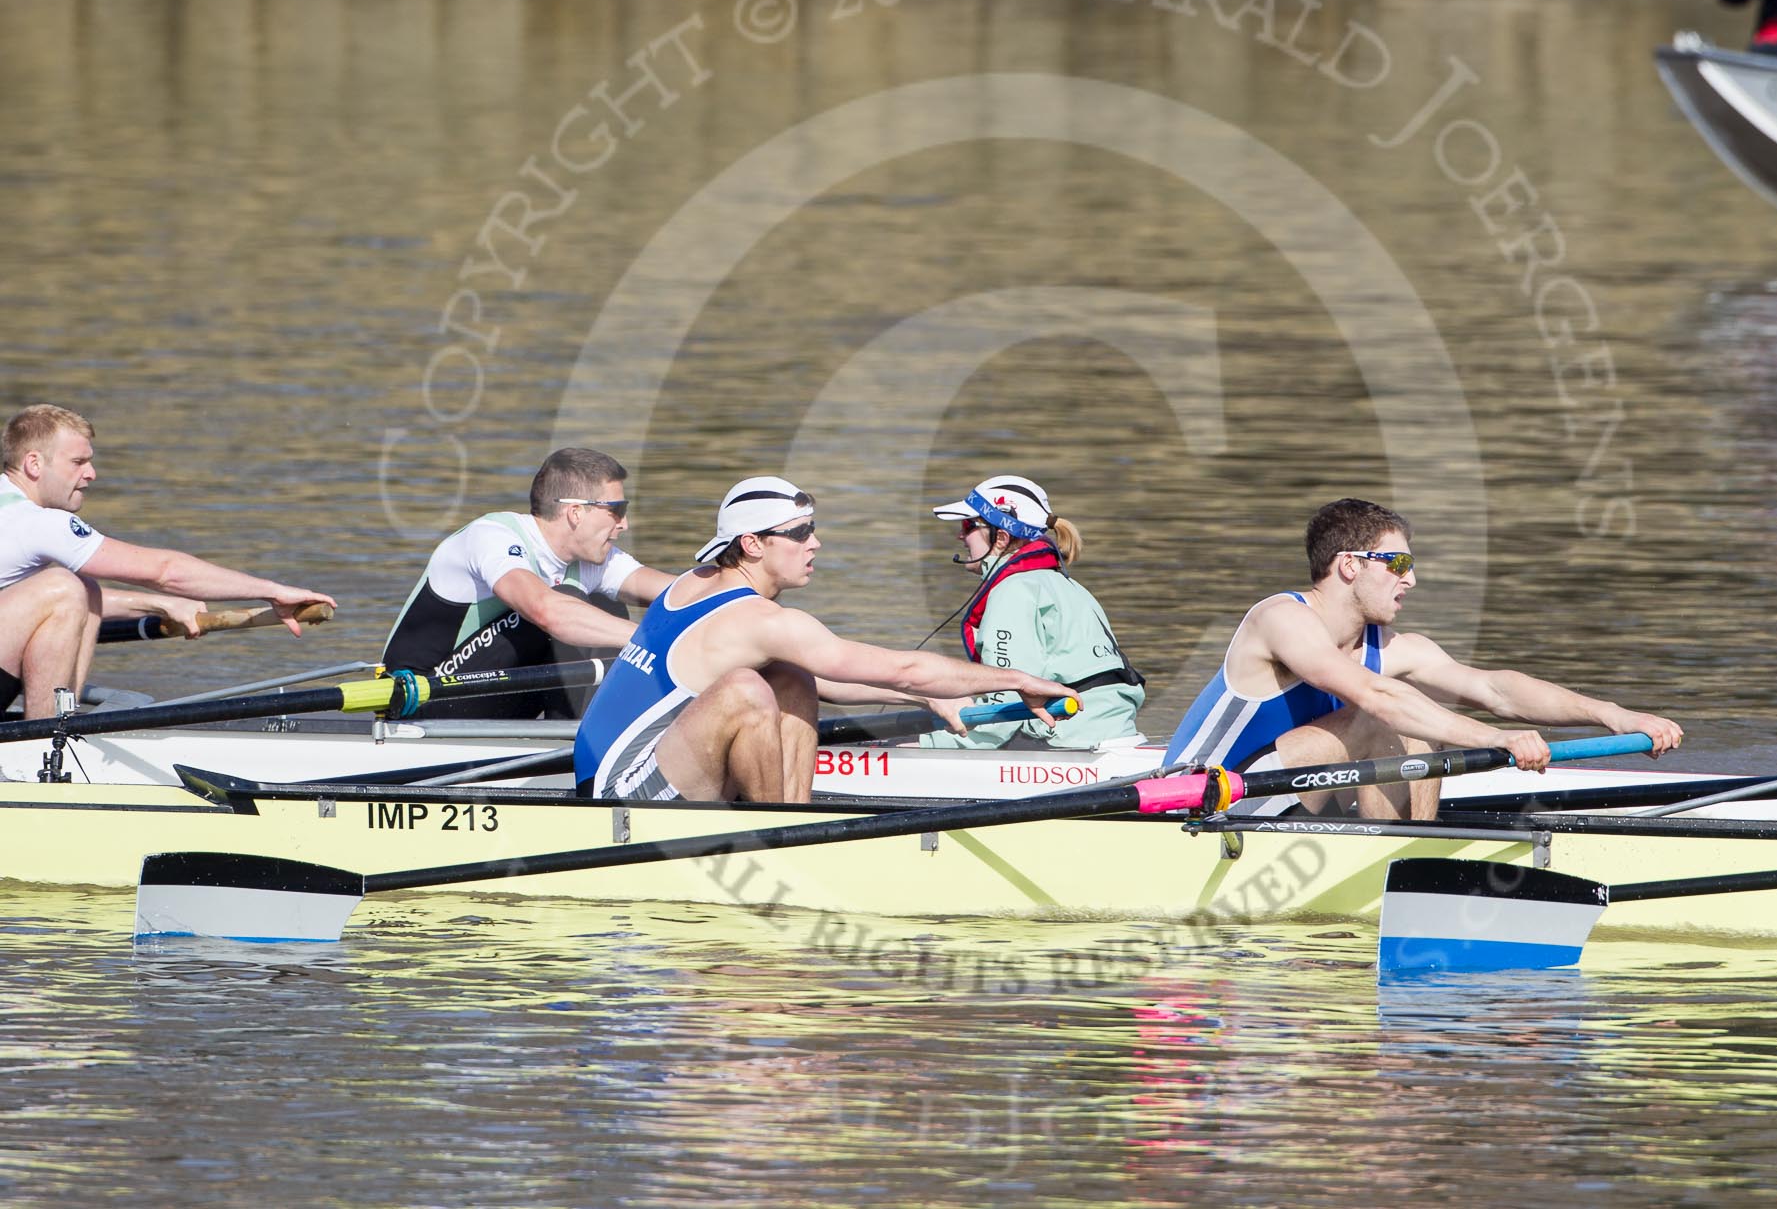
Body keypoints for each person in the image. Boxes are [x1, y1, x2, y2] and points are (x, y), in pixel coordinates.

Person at [1163, 498, 1683, 820]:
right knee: (1385, 709)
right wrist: (1493, 739)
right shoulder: (1280, 618)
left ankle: (1409, 849)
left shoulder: (1391, 648)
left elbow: (1497, 690)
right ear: (1349, 566)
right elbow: (1375, 696)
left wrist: (1616, 715)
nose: (1411, 580)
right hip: (1200, 804)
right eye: (1399, 563)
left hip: (1282, 799)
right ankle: (1396, 861)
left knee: (1416, 718)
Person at [573, 476, 1078, 803]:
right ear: (752, 545)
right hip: (618, 794)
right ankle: (776, 840)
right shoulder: (762, 621)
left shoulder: (700, 577)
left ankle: (791, 814)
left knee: (792, 678)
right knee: (748, 690)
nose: (814, 542)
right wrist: (1016, 680)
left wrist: (925, 694)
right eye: (798, 534)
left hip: (645, 761)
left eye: (812, 529)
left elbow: (834, 679)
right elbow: (901, 667)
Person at [0, 404, 335, 719]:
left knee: (81, 589)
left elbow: (44, 603)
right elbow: (165, 571)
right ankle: (44, 744)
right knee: (64, 587)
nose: (91, 474)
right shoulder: (38, 523)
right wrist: (272, 591)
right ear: (34, 464)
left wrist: (159, 605)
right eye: (77, 462)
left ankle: (52, 729)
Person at [382, 447, 680, 720]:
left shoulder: (591, 559)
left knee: (606, 605)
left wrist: (723, 594)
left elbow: (681, 594)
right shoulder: (492, 536)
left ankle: (580, 733)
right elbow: (546, 611)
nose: (624, 523)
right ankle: (573, 742)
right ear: (576, 512)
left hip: (493, 695)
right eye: (617, 509)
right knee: (565, 601)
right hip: (420, 699)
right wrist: (655, 642)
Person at [919, 474, 1145, 750]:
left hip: (1065, 738)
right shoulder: (1067, 584)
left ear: (1000, 537)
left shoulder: (1013, 591)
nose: (961, 536)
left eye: (968, 526)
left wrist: (924, 744)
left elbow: (1002, 711)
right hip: (1113, 729)